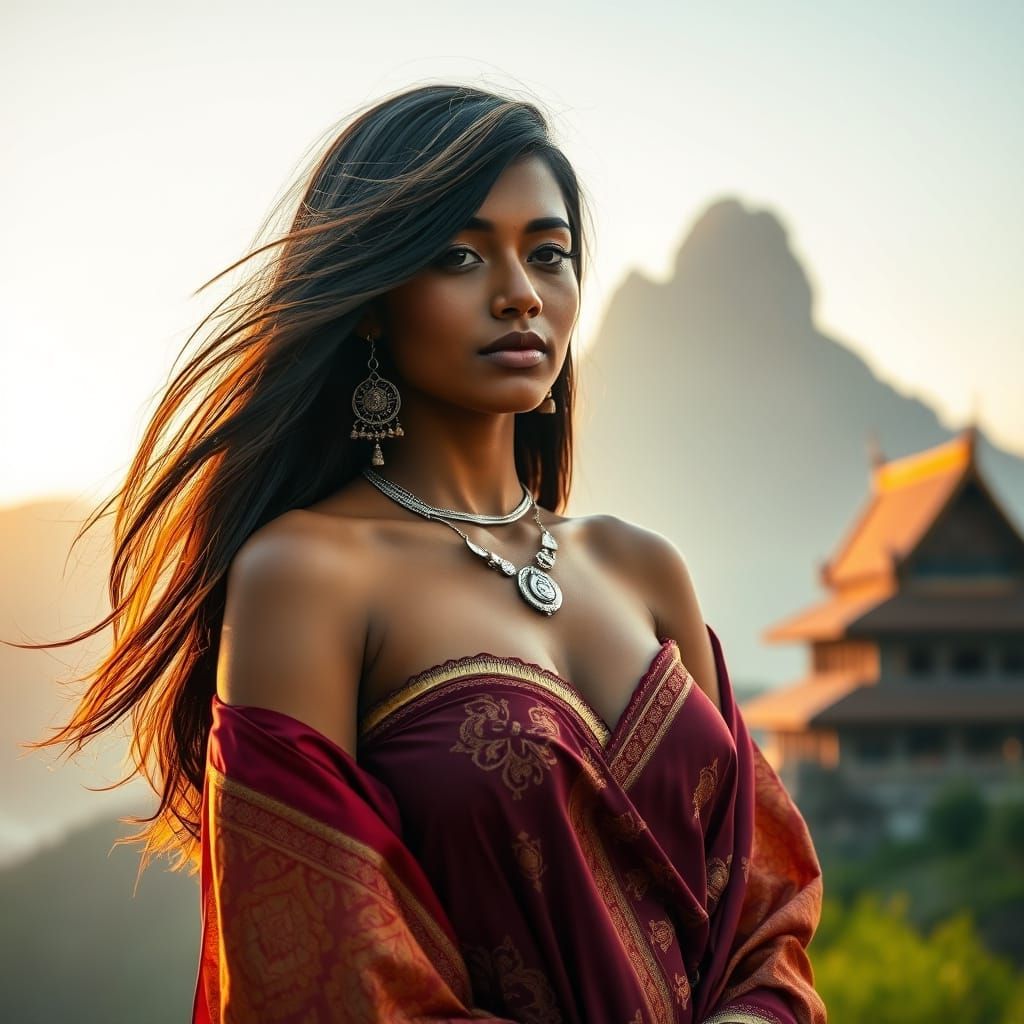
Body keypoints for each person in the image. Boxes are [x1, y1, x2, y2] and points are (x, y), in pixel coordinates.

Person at [27, 84, 825, 1023]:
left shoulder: (644, 570)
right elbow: (333, 986)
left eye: (549, 254)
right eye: (459, 255)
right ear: (373, 300)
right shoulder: (309, 576)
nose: (520, 292)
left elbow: (765, 916)